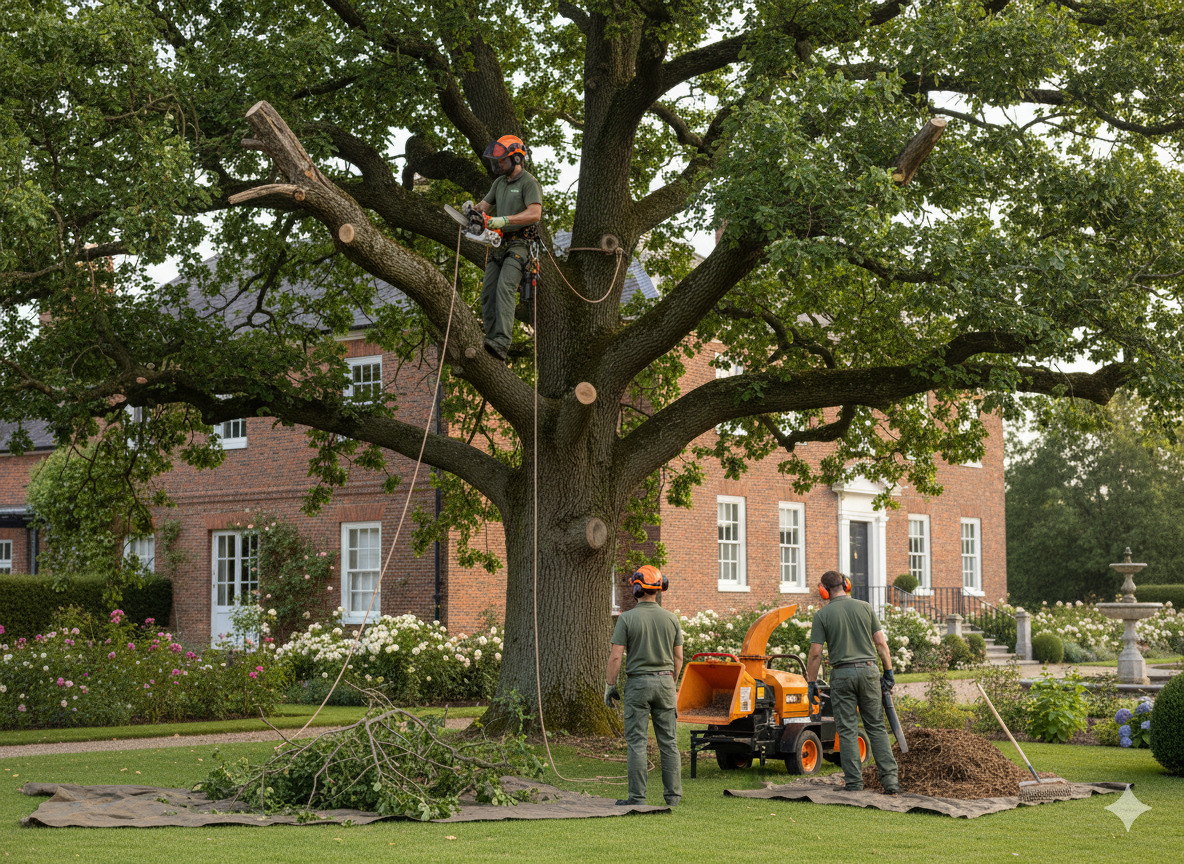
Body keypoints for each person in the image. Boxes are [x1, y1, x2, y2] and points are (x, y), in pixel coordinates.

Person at [805, 570, 900, 793]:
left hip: (842, 675)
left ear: (824, 591)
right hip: (869, 672)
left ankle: (855, 784)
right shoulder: (865, 607)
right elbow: (881, 645)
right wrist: (889, 673)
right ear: (846, 585)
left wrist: (811, 683)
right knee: (876, 727)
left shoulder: (822, 615)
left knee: (847, 730)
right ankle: (891, 783)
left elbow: (815, 653)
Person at [603, 565, 683, 806]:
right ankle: (673, 797)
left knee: (637, 742)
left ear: (637, 589)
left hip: (638, 684)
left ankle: (637, 798)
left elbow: (616, 657)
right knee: (669, 743)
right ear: (660, 588)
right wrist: (672, 681)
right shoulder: (671, 619)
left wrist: (610, 685)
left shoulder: (626, 619)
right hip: (665, 682)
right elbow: (678, 657)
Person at [466, 134, 542, 362]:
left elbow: (535, 213)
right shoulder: (499, 183)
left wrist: (505, 220)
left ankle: (501, 342)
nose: (498, 165)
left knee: (505, 289)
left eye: (502, 161)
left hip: (520, 244)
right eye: (497, 161)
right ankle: (490, 338)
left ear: (516, 159)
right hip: (498, 245)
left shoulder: (529, 183)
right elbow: (484, 206)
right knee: (487, 293)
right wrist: (473, 210)